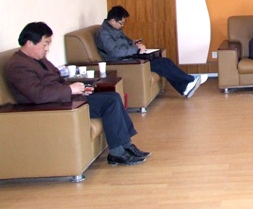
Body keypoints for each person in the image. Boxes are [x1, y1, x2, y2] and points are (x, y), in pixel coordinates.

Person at [5, 22, 150, 166]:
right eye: (45, 44)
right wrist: (70, 90)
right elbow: (38, 95)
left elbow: (56, 78)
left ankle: (126, 145)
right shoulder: (18, 65)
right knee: (110, 102)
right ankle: (117, 153)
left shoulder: (37, 59)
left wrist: (78, 88)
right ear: (30, 43)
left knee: (113, 96)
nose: (47, 49)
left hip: (62, 98)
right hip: (52, 107)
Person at [95, 6, 207, 99]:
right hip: (124, 62)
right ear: (113, 20)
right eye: (121, 23)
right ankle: (190, 80)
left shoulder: (115, 29)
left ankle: (185, 87)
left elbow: (125, 42)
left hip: (130, 57)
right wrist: (136, 49)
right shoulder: (103, 33)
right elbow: (114, 52)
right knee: (162, 64)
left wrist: (134, 43)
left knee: (164, 61)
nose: (123, 25)